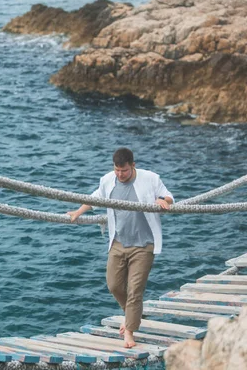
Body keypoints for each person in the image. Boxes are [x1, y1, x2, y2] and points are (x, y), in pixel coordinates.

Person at [67, 147, 173, 348]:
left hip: (143, 245)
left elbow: (168, 196)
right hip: (118, 242)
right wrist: (78, 212)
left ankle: (129, 331)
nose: (120, 174)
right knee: (114, 285)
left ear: (133, 166)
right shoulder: (108, 180)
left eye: (124, 170)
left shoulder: (150, 178)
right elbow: (96, 197)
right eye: (117, 170)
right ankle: (132, 314)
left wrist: (162, 200)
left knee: (135, 290)